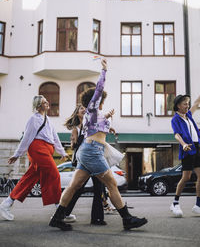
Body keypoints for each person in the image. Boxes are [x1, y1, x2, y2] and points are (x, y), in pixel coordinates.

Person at [49, 59, 148, 231]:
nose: (101, 99)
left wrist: (109, 122)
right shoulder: (91, 110)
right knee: (112, 184)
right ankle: (127, 218)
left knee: (74, 186)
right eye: (100, 98)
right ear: (94, 100)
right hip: (92, 151)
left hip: (89, 150)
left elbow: (97, 129)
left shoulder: (96, 115)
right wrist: (104, 70)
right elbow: (100, 88)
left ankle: (57, 217)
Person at [0, 95, 70, 229]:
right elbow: (27, 137)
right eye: (44, 102)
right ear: (38, 106)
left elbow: (55, 137)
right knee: (54, 174)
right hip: (37, 149)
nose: (48, 103)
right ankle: (60, 210)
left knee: (29, 178)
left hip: (46, 150)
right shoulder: (33, 119)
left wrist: (62, 152)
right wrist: (17, 154)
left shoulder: (48, 119)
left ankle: (6, 203)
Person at [63, 104, 106, 225]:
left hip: (94, 159)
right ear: (77, 113)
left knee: (99, 188)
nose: (84, 110)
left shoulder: (91, 124)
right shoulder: (76, 128)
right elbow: (73, 147)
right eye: (81, 108)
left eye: (85, 108)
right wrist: (73, 140)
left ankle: (97, 218)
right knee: (78, 189)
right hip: (84, 161)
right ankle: (64, 213)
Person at [170, 94, 200, 217]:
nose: (187, 105)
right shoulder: (175, 119)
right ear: (178, 105)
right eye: (184, 103)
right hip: (187, 148)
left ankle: (198, 205)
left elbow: (196, 104)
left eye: (187, 103)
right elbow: (177, 134)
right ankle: (175, 203)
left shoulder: (188, 115)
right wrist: (183, 144)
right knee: (186, 177)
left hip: (197, 147)